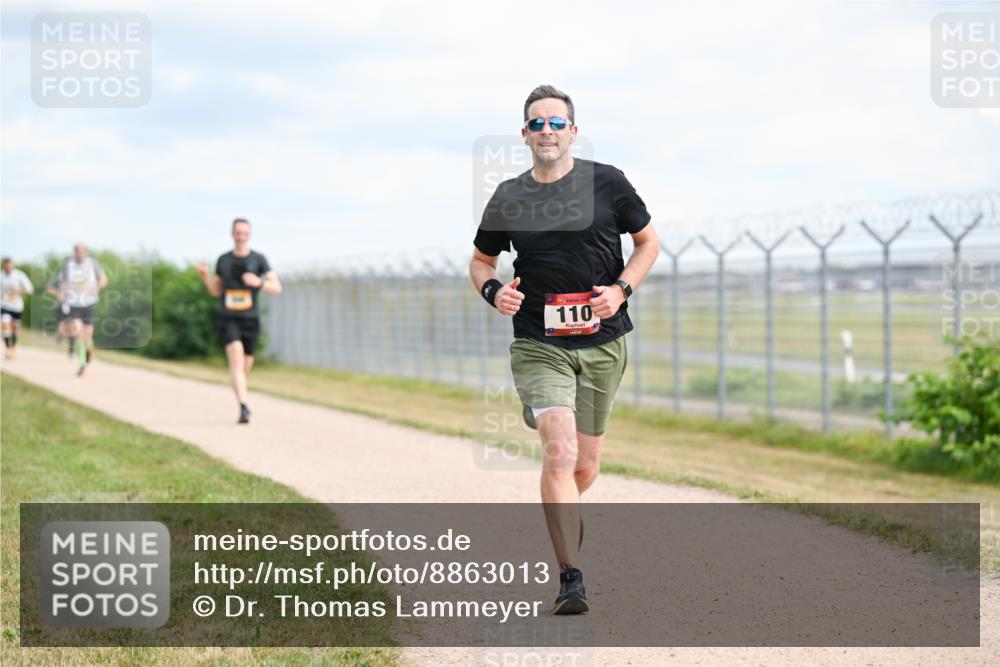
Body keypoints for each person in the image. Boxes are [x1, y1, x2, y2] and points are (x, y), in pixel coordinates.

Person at [469, 85, 660, 615]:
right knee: (560, 448)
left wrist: (621, 289)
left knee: (586, 465)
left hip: (603, 342)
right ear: (525, 134)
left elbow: (649, 243)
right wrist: (494, 291)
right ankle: (570, 576)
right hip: (538, 342)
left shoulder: (608, 182)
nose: (547, 132)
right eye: (537, 124)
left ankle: (566, 516)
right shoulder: (509, 194)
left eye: (557, 123)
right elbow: (481, 261)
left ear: (573, 131)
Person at [197, 218, 281, 424]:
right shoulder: (223, 260)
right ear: (232, 234)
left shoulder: (259, 259)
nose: (241, 236)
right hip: (228, 317)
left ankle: (239, 387)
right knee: (235, 358)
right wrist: (205, 277)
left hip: (250, 319)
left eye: (244, 232)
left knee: (244, 367)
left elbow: (277, 287)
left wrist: (259, 282)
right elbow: (216, 291)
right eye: (238, 232)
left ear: (249, 234)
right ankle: (244, 407)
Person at [55, 244, 107, 375]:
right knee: (77, 332)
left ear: (86, 252)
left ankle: (89, 350)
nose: (79, 253)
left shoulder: (93, 264)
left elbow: (104, 279)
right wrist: (61, 291)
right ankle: (82, 364)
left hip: (88, 302)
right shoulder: (68, 264)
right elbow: (63, 281)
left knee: (88, 335)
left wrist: (97, 287)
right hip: (73, 303)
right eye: (77, 251)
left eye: (82, 251)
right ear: (74, 252)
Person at [1, 257, 35, 359]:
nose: (7, 267)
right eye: (5, 265)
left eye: (9, 264)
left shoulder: (19, 275)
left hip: (16, 306)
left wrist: (18, 292)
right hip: (4, 304)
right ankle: (7, 348)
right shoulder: (1, 275)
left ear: (12, 265)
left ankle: (13, 347)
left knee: (15, 328)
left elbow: (30, 289)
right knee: (5, 323)